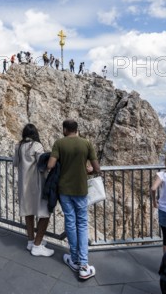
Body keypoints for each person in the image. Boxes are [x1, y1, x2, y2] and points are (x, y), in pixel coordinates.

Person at [47, 119, 100, 280]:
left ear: (65, 129)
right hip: (81, 190)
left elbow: (50, 165)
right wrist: (88, 171)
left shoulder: (59, 143)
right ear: (76, 130)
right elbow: (97, 169)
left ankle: (75, 259)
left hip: (64, 190)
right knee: (82, 223)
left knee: (70, 222)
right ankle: (84, 265)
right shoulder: (86, 144)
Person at [13, 124, 53, 256]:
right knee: (44, 213)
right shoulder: (36, 145)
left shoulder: (18, 146)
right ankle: (37, 245)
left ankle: (31, 241)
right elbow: (43, 164)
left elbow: (15, 163)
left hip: (23, 185)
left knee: (28, 212)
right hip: (36, 185)